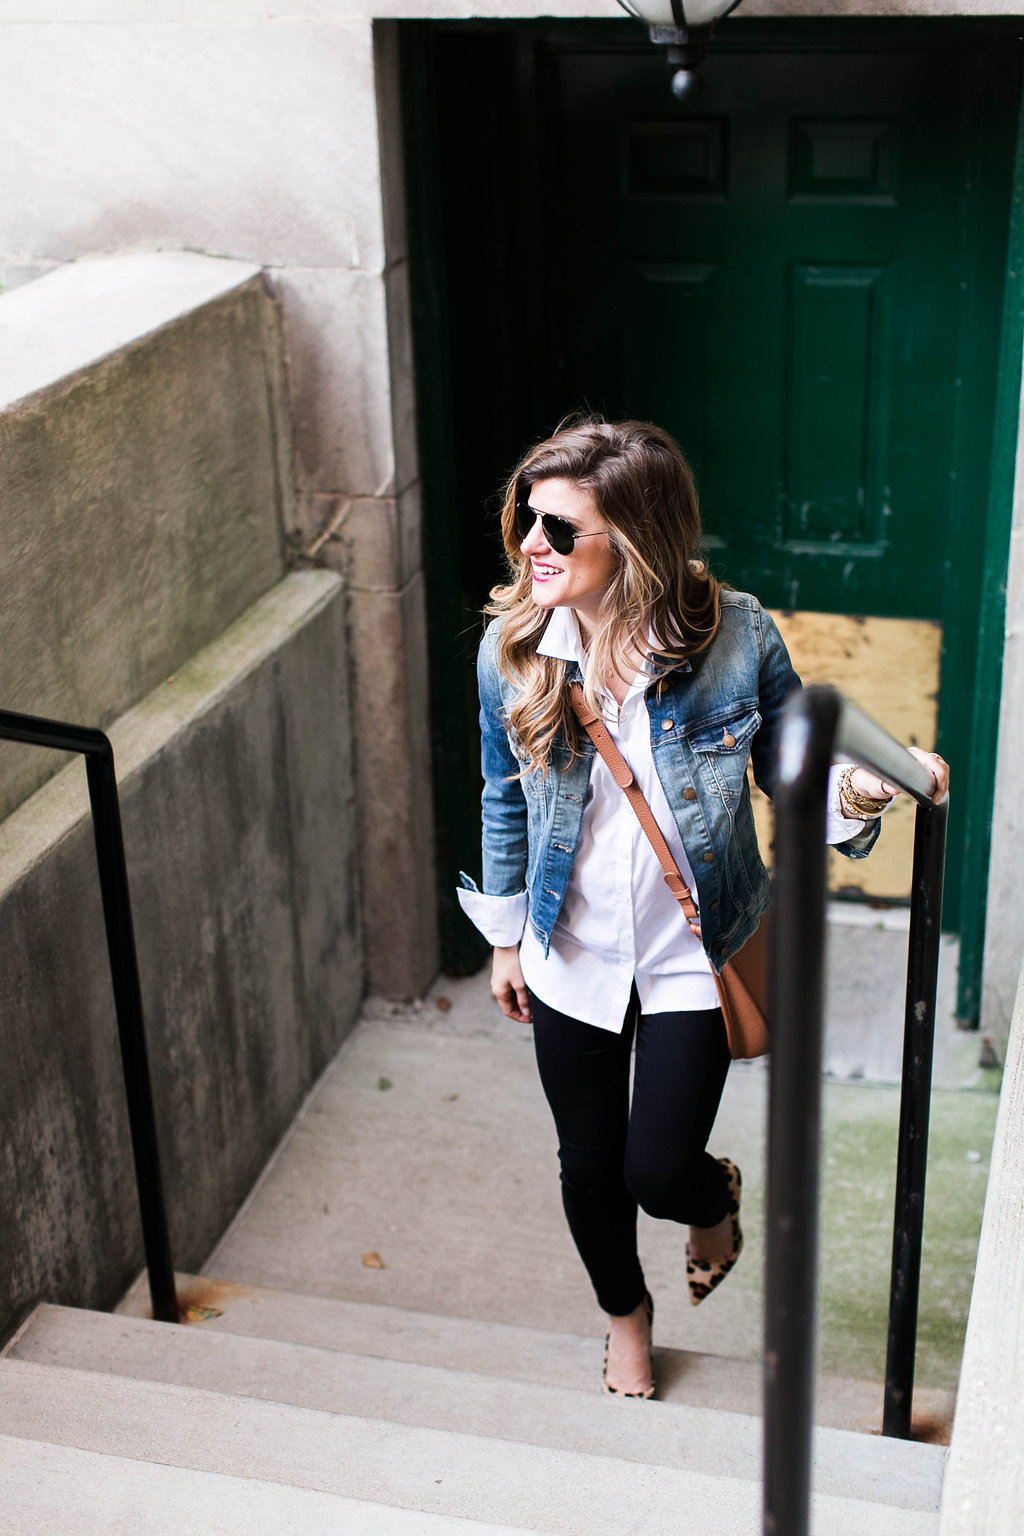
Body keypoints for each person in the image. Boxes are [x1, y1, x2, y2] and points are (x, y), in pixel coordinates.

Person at [457, 419, 949, 1399]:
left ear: (634, 543)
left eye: (560, 530)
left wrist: (856, 796)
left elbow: (789, 770)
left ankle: (711, 1197)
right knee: (588, 1168)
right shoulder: (511, 652)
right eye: (527, 518)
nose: (531, 545)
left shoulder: (737, 638)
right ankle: (624, 1319)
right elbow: (500, 795)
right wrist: (506, 942)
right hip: (569, 948)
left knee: (655, 1170)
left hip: (696, 945)